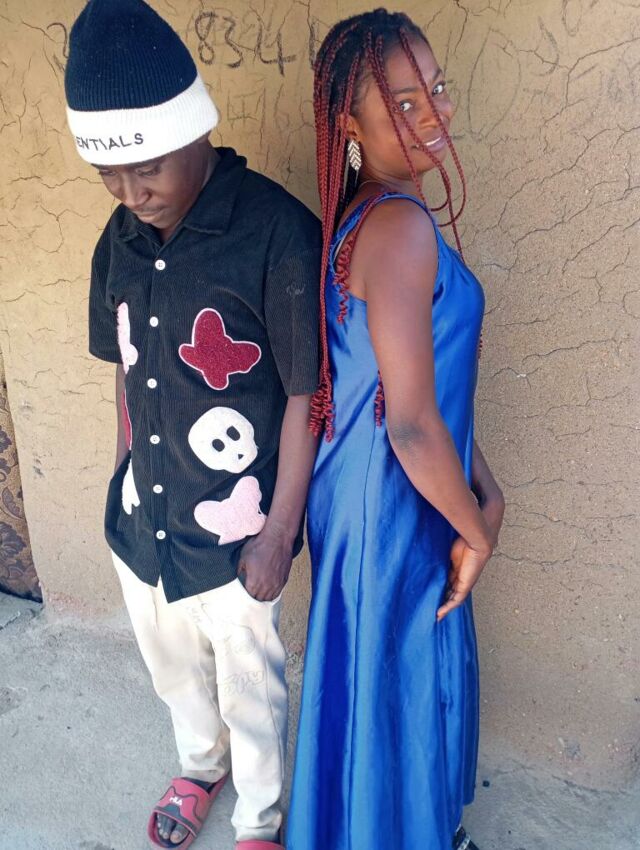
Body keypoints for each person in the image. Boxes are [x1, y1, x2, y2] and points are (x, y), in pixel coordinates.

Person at [64, 1, 320, 848]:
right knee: (172, 666)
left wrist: (279, 532)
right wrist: (121, 477)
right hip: (143, 518)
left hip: (237, 529)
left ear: (198, 130)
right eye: (109, 173)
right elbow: (124, 366)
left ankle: (259, 817)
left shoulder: (277, 235)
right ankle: (200, 765)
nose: (131, 192)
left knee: (251, 682)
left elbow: (306, 391)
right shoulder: (120, 239)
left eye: (147, 167)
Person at [286, 9, 505, 850]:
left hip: (378, 490)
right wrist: (476, 528)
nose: (434, 114)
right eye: (404, 103)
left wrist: (481, 481)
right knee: (396, 681)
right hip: (393, 496)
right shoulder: (401, 228)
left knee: (378, 683)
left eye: (436, 90)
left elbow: (419, 391)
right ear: (350, 126)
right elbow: (411, 425)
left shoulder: (376, 211)